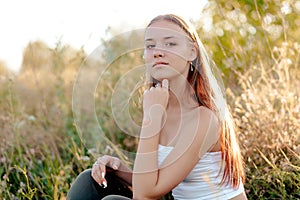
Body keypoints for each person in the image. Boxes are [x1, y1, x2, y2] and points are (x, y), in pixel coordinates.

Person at [67, 14, 247, 200]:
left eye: (170, 44)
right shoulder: (161, 105)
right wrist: (118, 169)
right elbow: (155, 179)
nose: (158, 52)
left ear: (191, 52)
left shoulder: (204, 118)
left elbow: (145, 195)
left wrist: (151, 117)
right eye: (151, 45)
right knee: (89, 180)